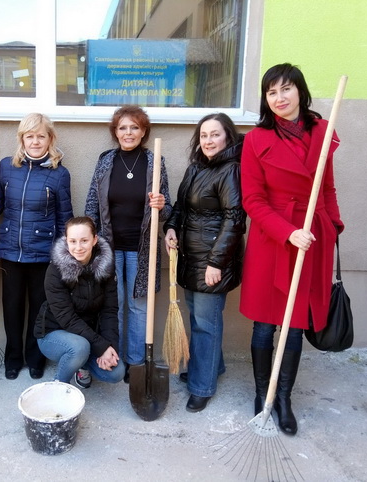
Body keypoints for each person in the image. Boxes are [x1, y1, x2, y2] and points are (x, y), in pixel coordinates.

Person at [240, 63, 344, 435]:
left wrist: (333, 225)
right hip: (272, 239)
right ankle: (262, 394)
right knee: (265, 322)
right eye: (271, 92)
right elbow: (252, 200)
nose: (279, 97)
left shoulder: (322, 132)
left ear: (300, 91)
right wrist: (287, 232)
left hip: (311, 237)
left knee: (295, 323)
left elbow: (326, 188)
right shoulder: (256, 140)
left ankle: (283, 398)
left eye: (286, 89)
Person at [163, 113, 246, 413]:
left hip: (212, 260)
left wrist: (216, 263)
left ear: (228, 137)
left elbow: (235, 220)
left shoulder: (231, 170)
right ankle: (211, 367)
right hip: (190, 257)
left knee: (206, 325)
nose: (208, 141)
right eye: (204, 135)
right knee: (200, 320)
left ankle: (202, 386)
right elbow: (180, 207)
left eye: (215, 134)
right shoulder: (196, 167)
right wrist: (170, 227)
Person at [0, 113, 73, 381]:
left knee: (39, 311)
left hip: (43, 255)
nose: (35, 141)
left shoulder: (59, 174)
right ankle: (13, 359)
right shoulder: (6, 166)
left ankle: (35, 359)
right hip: (10, 251)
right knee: (11, 308)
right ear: (21, 139)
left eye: (40, 136)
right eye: (29, 136)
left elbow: (64, 218)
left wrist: (63, 256)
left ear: (50, 139)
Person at [85, 105, 171, 384]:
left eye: (134, 127)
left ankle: (135, 363)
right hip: (109, 247)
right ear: (116, 132)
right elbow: (92, 202)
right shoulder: (106, 160)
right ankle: (115, 360)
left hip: (141, 249)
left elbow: (167, 210)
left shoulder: (155, 161)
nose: (128, 132)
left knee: (138, 307)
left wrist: (161, 205)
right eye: (122, 127)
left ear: (143, 131)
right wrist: (89, 239)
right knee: (114, 305)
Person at [34, 217, 125, 387]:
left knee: (117, 372)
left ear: (94, 240)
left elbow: (110, 311)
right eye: (73, 241)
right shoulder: (55, 270)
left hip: (87, 334)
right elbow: (66, 318)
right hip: (53, 333)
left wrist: (109, 347)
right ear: (66, 241)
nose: (78, 247)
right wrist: (100, 346)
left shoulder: (106, 267)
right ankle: (58, 386)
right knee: (79, 347)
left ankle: (80, 364)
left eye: (84, 240)